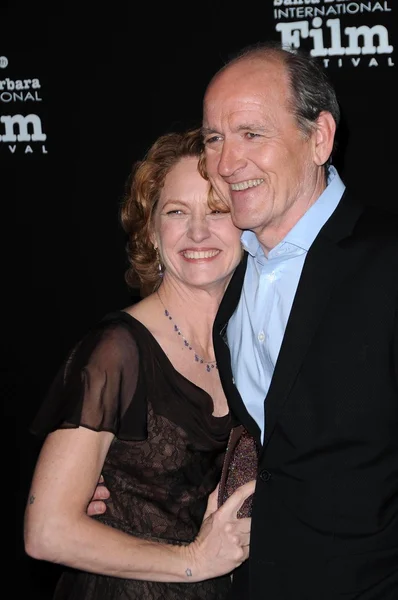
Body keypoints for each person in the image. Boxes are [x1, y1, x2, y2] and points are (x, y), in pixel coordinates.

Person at [88, 41, 398, 599]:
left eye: (252, 133)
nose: (228, 163)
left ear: (319, 138)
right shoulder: (227, 278)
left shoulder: (386, 263)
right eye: (214, 138)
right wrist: (123, 488)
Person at [23, 127, 256, 600]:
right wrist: (194, 561)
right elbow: (46, 531)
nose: (196, 232)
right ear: (152, 231)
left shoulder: (254, 341)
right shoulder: (117, 350)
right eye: (176, 212)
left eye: (216, 210)